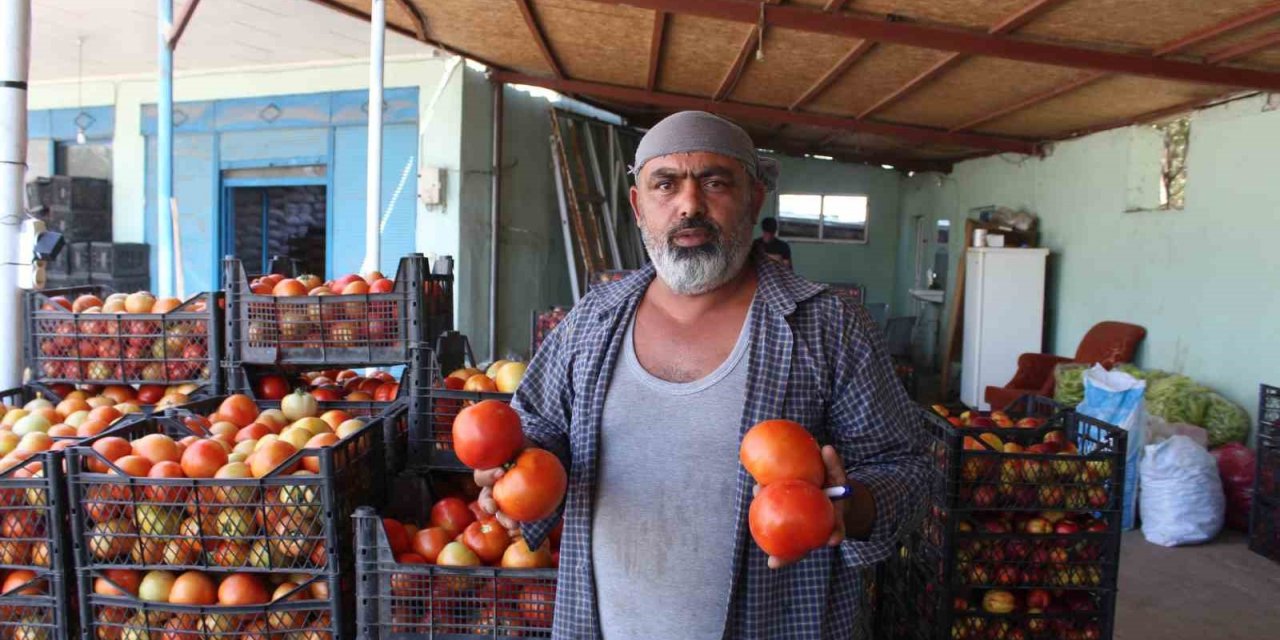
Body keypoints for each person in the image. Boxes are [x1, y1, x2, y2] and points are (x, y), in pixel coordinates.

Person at [476, 111, 926, 639]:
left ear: (756, 200)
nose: (689, 205)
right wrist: (509, 478)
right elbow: (535, 431)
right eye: (665, 185)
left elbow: (908, 468)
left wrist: (847, 506)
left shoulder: (827, 327)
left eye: (715, 182)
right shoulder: (591, 321)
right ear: (637, 205)